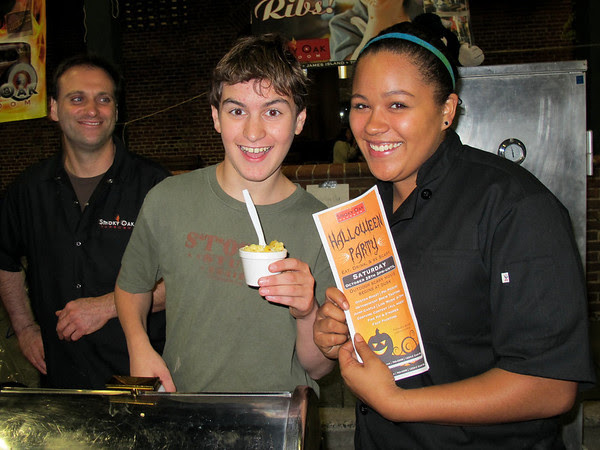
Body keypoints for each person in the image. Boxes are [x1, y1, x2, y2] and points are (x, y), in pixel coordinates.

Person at [313, 21, 595, 449]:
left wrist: (398, 403)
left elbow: (550, 385)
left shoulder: (515, 206)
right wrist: (338, 330)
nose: (372, 125)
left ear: (447, 110)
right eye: (360, 105)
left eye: (397, 104)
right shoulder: (369, 211)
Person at [114, 33, 335, 393]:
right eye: (237, 111)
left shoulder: (321, 226)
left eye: (273, 112)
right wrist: (139, 346)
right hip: (185, 408)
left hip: (279, 415)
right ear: (216, 117)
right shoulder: (167, 200)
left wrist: (307, 311)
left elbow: (319, 367)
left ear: (299, 120)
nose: (253, 132)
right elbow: (131, 287)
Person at [0, 54, 169, 389]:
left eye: (103, 99)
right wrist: (25, 328)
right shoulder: (27, 190)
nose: (92, 110)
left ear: (116, 112)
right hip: (60, 380)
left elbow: (186, 279)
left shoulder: (156, 186)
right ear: (53, 108)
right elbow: (5, 260)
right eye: (77, 98)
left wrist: (106, 307)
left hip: (140, 377)